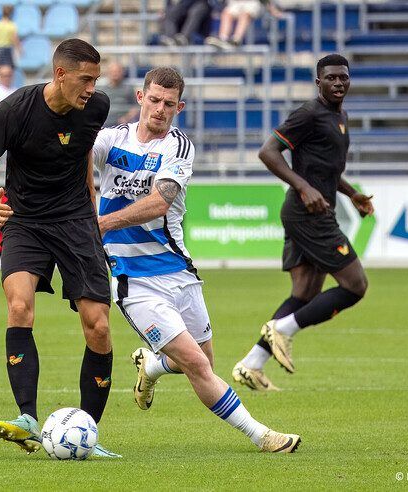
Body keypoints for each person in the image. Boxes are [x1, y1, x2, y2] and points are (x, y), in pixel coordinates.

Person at [93, 66, 301, 453]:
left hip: (178, 272)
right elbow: (71, 164)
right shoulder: (109, 139)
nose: (159, 109)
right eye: (153, 100)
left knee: (201, 359)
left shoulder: (178, 146)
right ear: (140, 98)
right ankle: (261, 435)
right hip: (133, 280)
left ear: (179, 107)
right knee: (198, 365)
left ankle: (152, 366)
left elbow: (161, 201)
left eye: (168, 104)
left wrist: (99, 223)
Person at [0, 39, 119, 457]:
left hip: (76, 222)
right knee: (19, 306)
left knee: (97, 324)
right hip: (25, 222)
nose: (92, 88)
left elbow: (79, 155)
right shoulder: (16, 110)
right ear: (60, 74)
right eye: (85, 79)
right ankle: (26, 416)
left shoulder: (96, 107)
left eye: (96, 80)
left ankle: (87, 432)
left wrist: (92, 208)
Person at [232, 54, 373, 390]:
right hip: (307, 214)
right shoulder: (309, 113)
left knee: (306, 292)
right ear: (318, 82)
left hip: (314, 209)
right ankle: (282, 329)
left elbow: (327, 170)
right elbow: (268, 151)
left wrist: (353, 193)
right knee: (356, 285)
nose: (339, 83)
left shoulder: (340, 116)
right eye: (331, 78)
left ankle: (251, 364)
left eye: (343, 77)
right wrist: (304, 187)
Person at [205, 0, 283, 50]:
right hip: (236, 3)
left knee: (245, 15)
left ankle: (236, 40)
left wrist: (272, 9)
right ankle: (223, 39)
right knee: (226, 14)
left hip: (253, 3)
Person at [102, 61, 139, 126]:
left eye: (117, 71)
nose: (115, 74)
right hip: (105, 124)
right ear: (108, 73)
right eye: (112, 71)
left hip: (123, 125)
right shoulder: (103, 90)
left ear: (122, 72)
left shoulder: (129, 89)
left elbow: (135, 107)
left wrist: (126, 118)